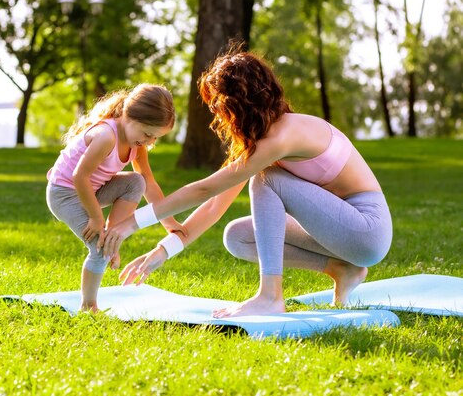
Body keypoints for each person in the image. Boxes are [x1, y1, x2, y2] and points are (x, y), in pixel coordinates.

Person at [100, 48, 393, 317]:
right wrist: (162, 251)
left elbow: (204, 188)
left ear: (237, 101)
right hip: (339, 228)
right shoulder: (262, 140)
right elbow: (215, 204)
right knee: (238, 236)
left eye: (216, 103)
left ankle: (270, 297)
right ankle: (343, 270)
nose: (215, 113)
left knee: (266, 181)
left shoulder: (281, 137)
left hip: (366, 230)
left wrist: (131, 223)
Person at [46, 84, 186, 312]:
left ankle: (112, 236)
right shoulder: (105, 136)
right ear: (129, 117)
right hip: (65, 193)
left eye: (155, 138)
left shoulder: (135, 143)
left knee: (136, 182)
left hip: (92, 189)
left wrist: (169, 223)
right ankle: (88, 306)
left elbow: (148, 183)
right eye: (147, 134)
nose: (149, 142)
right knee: (100, 249)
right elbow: (79, 176)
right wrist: (96, 219)